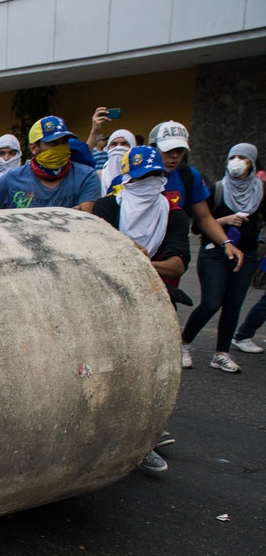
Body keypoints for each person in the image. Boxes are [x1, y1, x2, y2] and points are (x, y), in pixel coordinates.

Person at [92, 146, 191, 473]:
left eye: (155, 176)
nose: (148, 183)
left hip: (153, 301)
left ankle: (144, 440)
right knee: (106, 369)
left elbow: (177, 266)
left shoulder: (172, 214)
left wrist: (140, 260)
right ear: (128, 179)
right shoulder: (108, 207)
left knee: (151, 372)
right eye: (141, 177)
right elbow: (91, 252)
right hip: (106, 300)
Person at [180, 143, 263, 373]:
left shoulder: (260, 191)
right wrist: (224, 221)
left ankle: (221, 354)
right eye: (232, 157)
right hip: (214, 252)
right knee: (211, 302)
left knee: (233, 305)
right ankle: (183, 344)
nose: (236, 162)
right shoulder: (216, 189)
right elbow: (197, 227)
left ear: (253, 163)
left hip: (246, 255)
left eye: (243, 158)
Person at [0, 116, 101, 212]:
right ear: (34, 148)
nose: (60, 148)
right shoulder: (12, 179)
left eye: (64, 141)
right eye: (52, 143)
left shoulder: (86, 177)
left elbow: (84, 219)